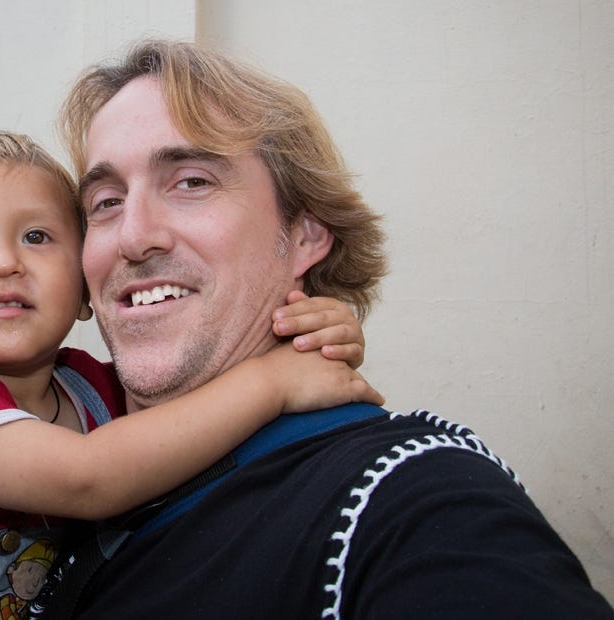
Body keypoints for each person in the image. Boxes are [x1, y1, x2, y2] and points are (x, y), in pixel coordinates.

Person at [35, 39, 614, 619]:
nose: (134, 236)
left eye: (191, 182)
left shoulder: (404, 494)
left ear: (305, 235)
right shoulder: (50, 440)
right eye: (105, 201)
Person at [0, 130, 382, 619]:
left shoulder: (94, 387)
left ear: (85, 287)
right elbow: (87, 478)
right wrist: (274, 382)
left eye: (36, 237)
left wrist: (306, 334)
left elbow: (202, 401)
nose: (3, 263)